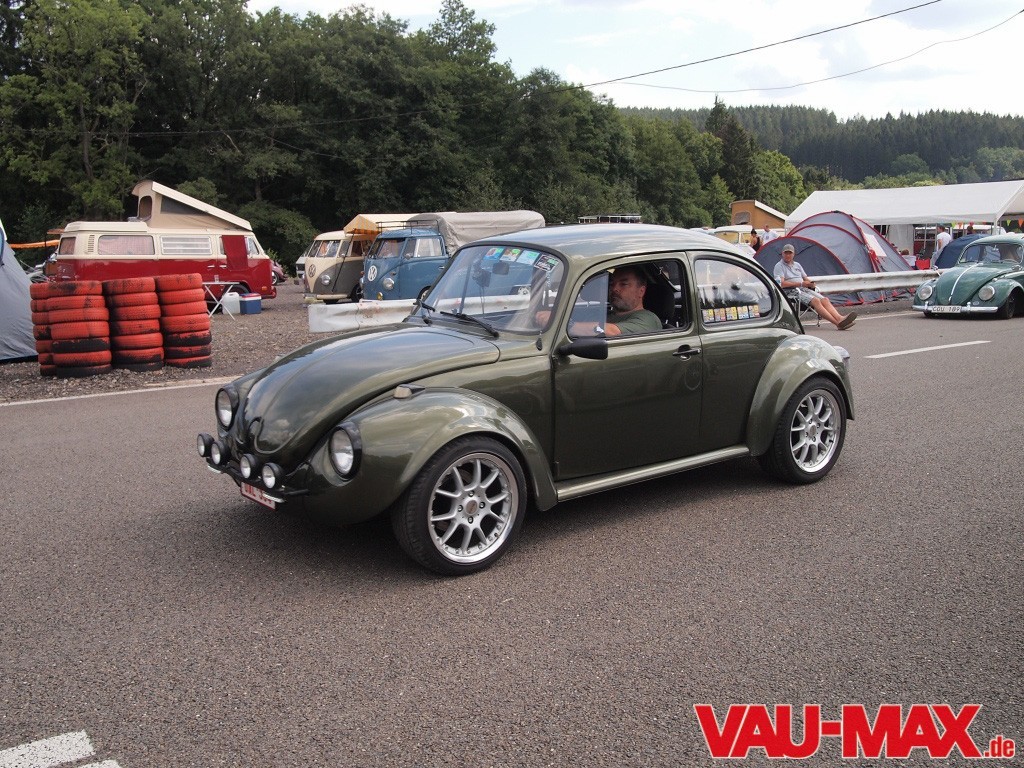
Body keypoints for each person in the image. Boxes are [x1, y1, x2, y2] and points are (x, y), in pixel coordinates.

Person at [773, 244, 856, 330]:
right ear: (782, 254)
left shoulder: (797, 265)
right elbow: (781, 284)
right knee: (816, 301)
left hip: (803, 288)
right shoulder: (779, 266)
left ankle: (840, 318)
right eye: (786, 253)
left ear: (793, 254)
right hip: (791, 291)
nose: (788, 255)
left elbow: (805, 278)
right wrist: (800, 284)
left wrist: (811, 284)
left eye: (790, 253)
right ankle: (837, 323)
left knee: (825, 299)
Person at [569, 265, 661, 337]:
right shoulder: (601, 313)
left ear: (641, 291)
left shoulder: (649, 319)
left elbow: (612, 331)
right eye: (612, 284)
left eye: (623, 284)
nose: (614, 289)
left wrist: (569, 327)